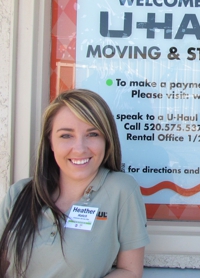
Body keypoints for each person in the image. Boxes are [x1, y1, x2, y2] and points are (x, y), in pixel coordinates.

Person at [0, 89, 150, 277]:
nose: (79, 148)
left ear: (106, 139)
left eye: (92, 134)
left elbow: (130, 271)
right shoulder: (19, 194)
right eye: (66, 135)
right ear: (50, 142)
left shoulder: (121, 190)